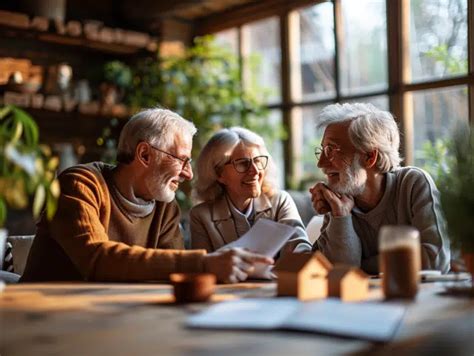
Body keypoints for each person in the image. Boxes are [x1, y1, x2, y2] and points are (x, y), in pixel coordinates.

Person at [21, 108, 272, 283]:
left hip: (112, 317)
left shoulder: (165, 207)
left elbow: (171, 273)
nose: (189, 174)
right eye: (182, 160)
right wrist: (204, 263)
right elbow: (96, 258)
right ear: (144, 155)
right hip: (44, 315)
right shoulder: (81, 184)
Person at [309, 103, 450, 274]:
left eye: (331, 151)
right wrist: (341, 217)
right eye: (322, 151)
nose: (320, 163)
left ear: (369, 156)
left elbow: (435, 261)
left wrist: (361, 265)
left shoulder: (413, 183)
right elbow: (335, 273)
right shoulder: (339, 197)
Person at [190, 127, 312, 271]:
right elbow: (202, 267)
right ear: (219, 173)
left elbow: (300, 246)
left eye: (258, 161)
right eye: (243, 163)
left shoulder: (280, 201)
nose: (255, 171)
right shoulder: (201, 216)